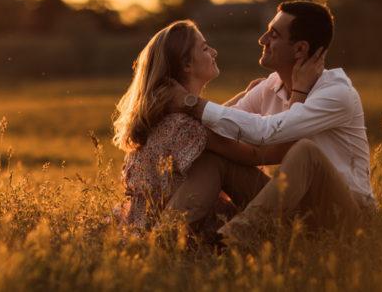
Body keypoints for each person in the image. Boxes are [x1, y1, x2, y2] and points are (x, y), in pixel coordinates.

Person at [165, 0, 376, 243]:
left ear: (299, 50)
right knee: (215, 160)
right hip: (289, 208)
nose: (262, 39)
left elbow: (269, 132)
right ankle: (165, 235)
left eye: (273, 35)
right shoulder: (270, 86)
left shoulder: (336, 93)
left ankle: (231, 240)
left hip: (343, 215)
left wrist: (192, 103)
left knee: (306, 152)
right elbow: (223, 125)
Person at [112, 19, 323, 236]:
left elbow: (208, 123)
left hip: (142, 223)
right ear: (186, 64)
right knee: (213, 163)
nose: (213, 52)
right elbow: (257, 153)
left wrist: (245, 96)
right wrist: (300, 95)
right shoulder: (186, 128)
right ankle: (167, 238)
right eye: (204, 48)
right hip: (177, 227)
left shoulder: (167, 117)